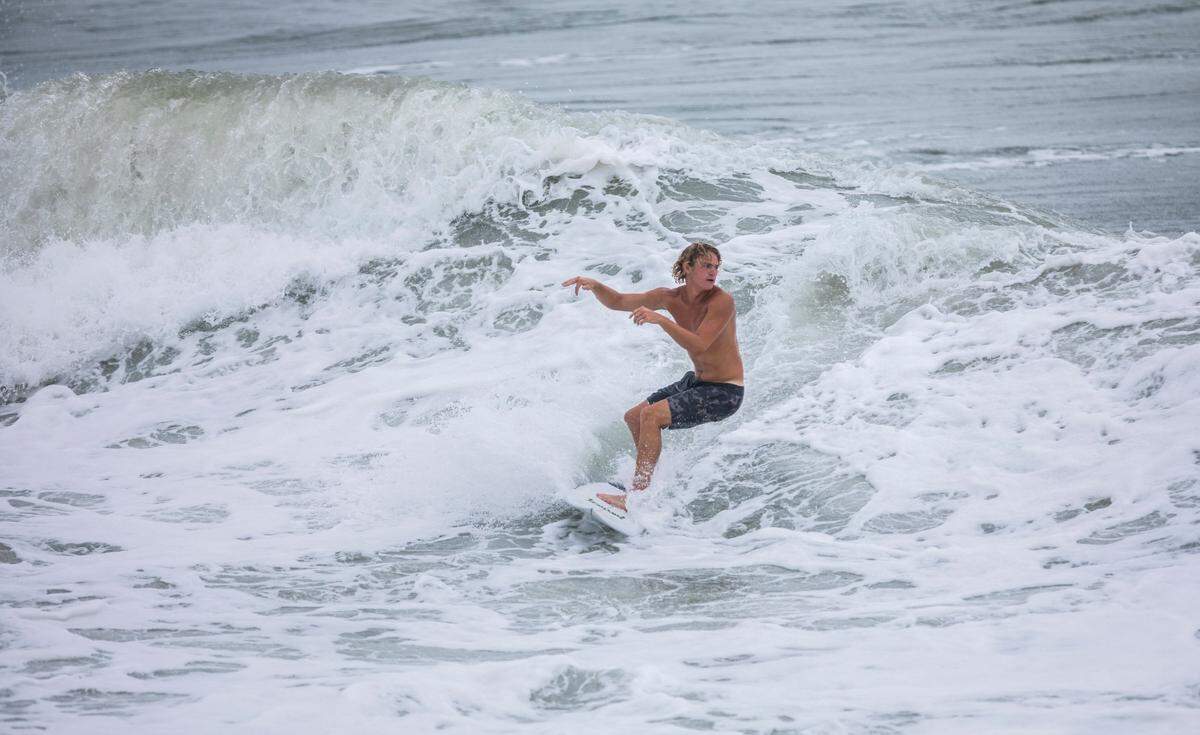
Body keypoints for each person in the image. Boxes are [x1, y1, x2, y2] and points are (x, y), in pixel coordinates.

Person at [562, 242, 745, 511]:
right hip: (697, 382)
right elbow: (620, 301)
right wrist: (596, 286)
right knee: (634, 416)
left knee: (652, 416)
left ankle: (635, 496)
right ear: (687, 266)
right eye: (707, 265)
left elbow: (699, 345)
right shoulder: (669, 297)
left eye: (716, 267)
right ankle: (649, 487)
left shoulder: (721, 301)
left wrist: (661, 320)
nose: (713, 272)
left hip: (725, 392)